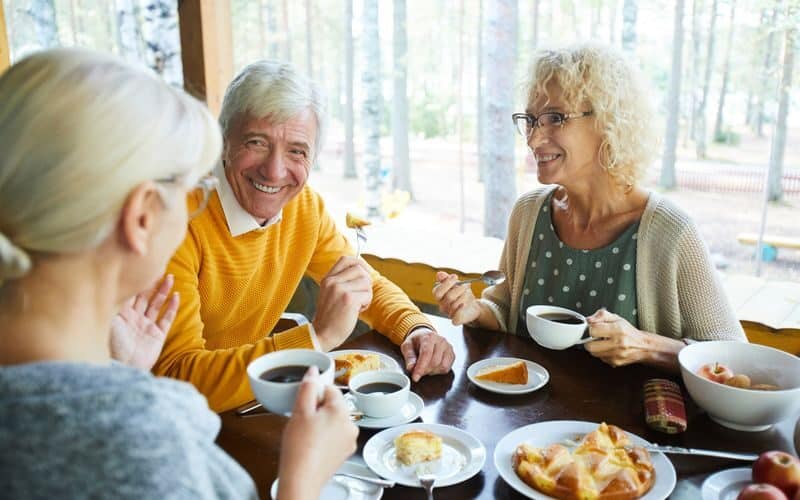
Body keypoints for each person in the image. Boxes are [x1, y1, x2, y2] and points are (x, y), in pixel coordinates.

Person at [0, 49, 357, 500]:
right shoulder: (144, 439)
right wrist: (302, 478)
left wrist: (119, 371)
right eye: (195, 185)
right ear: (142, 217)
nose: (202, 199)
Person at [153, 60, 455, 412]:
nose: (275, 170)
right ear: (223, 141)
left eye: (297, 150)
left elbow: (360, 283)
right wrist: (317, 337)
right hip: (171, 421)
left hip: (248, 404)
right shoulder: (177, 217)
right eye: (256, 142)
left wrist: (415, 329)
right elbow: (175, 377)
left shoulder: (303, 208)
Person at [434, 42, 746, 371]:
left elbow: (734, 358)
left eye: (555, 118)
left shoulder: (669, 231)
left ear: (609, 123)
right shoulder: (528, 214)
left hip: (620, 423)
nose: (533, 138)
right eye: (530, 120)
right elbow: (506, 313)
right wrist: (475, 310)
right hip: (526, 415)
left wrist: (647, 346)